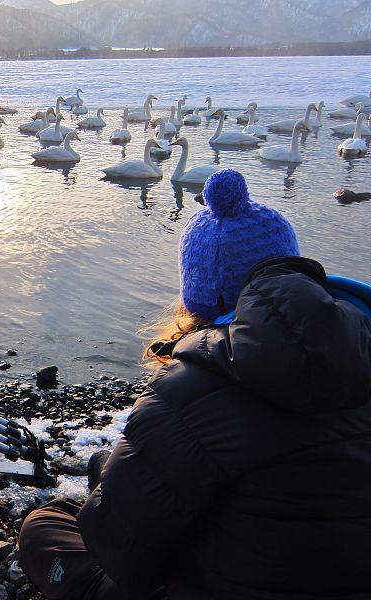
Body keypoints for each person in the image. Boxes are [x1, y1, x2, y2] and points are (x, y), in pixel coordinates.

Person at [18, 168, 371, 600]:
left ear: (198, 291)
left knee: (48, 525)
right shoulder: (362, 343)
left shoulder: (184, 391)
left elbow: (125, 556)